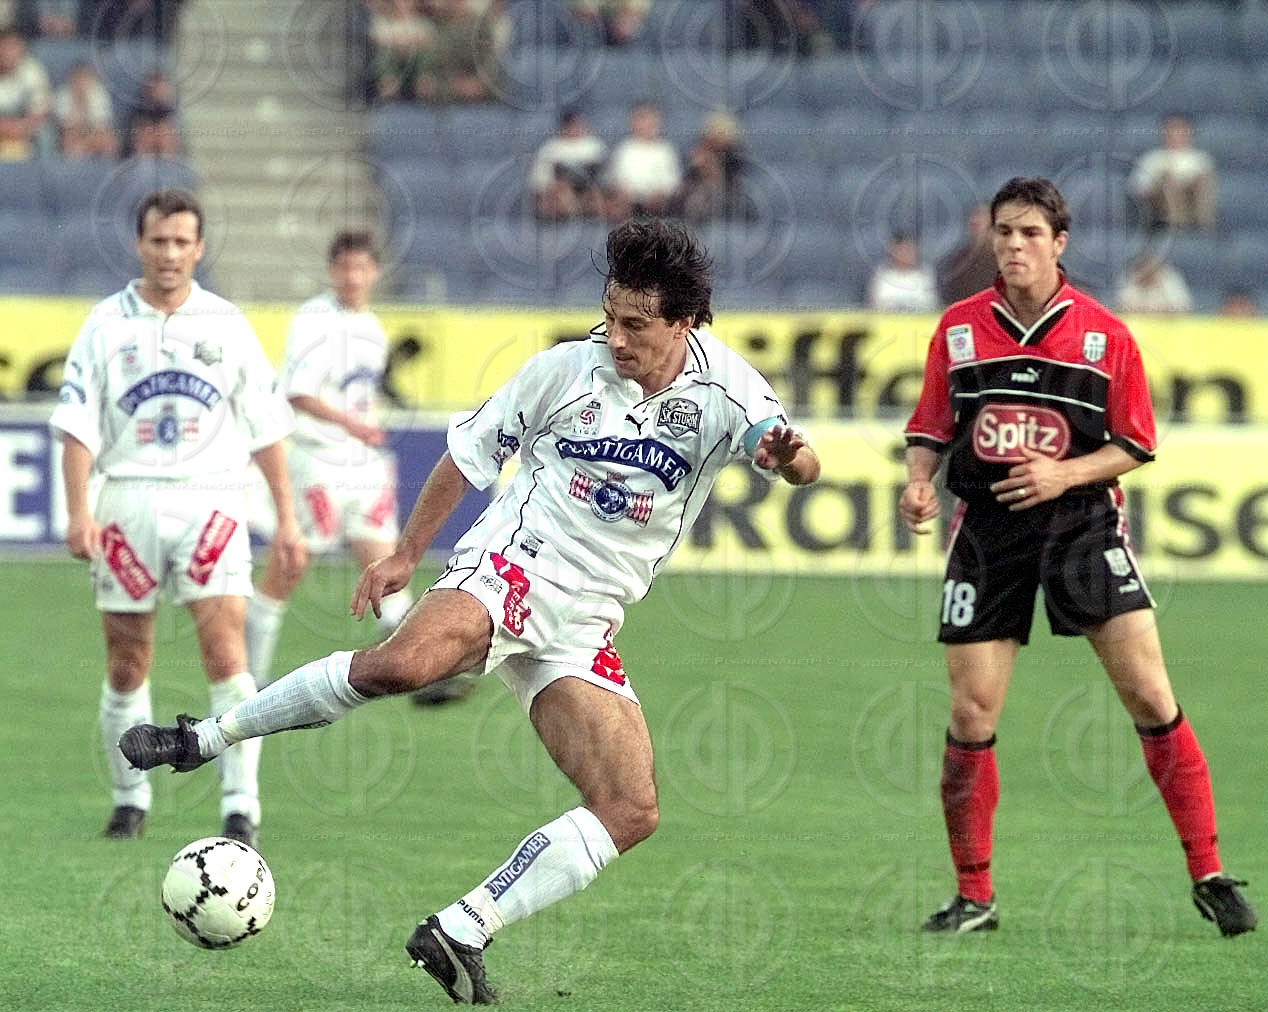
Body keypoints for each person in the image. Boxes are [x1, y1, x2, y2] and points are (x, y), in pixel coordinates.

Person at [119, 217, 821, 1003]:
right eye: (610, 315)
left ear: (683, 322)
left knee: (631, 808)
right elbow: (467, 455)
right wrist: (402, 555)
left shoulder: (727, 389)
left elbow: (795, 455)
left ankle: (462, 928)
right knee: (403, 666)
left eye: (636, 324)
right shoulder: (565, 370)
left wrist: (790, 460)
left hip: (587, 620)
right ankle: (205, 737)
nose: (616, 337)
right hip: (515, 566)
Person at [899, 176, 1256, 938]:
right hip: (988, 534)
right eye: (1004, 232)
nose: (1014, 246)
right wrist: (919, 482)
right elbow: (930, 427)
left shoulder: (1104, 335)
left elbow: (1136, 443)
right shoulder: (958, 330)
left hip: (1082, 529)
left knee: (1151, 696)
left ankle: (1209, 872)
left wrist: (1064, 474)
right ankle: (974, 897)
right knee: (970, 711)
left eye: (1030, 233)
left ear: (1059, 244)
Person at [49, 189, 306, 847]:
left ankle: (240, 808)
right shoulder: (105, 324)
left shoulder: (226, 323)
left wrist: (287, 518)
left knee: (226, 651)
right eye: (158, 241)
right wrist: (78, 512)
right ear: (140, 244)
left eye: (181, 242)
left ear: (199, 248)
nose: (169, 253)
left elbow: (265, 426)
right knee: (127, 659)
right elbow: (76, 425)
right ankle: (130, 801)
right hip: (126, 498)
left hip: (210, 498)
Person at [244, 230, 471, 704]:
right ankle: (247, 678)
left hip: (363, 464)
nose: (352, 277)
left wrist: (367, 423)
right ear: (332, 271)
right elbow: (298, 393)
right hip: (318, 459)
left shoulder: (370, 326)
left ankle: (420, 676)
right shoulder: (314, 320)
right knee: (289, 566)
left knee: (385, 564)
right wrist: (352, 423)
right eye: (344, 267)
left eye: (361, 268)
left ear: (373, 273)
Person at [1128, 113, 1216, 231]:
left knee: (1202, 179)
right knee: (1167, 181)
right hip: (1160, 206)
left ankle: (1202, 225)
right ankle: (1175, 224)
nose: (1176, 136)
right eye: (1172, 131)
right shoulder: (1151, 159)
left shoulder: (1201, 160)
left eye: (1181, 132)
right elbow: (1139, 189)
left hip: (1191, 203)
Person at [603, 100, 681, 221]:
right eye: (640, 119)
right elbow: (615, 178)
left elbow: (672, 182)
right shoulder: (623, 149)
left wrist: (660, 193)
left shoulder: (666, 150)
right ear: (633, 123)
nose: (645, 124)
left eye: (649, 120)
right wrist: (624, 192)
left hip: (657, 201)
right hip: (629, 200)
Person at [670, 110, 751, 223]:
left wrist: (711, 166)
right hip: (699, 198)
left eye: (721, 133)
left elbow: (731, 182)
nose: (717, 137)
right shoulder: (699, 150)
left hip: (723, 198)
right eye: (714, 132)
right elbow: (686, 180)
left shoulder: (734, 156)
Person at [528, 107, 607, 222]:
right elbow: (538, 181)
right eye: (572, 125)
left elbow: (605, 175)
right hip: (560, 193)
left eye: (578, 125)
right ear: (564, 127)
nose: (576, 129)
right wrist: (557, 185)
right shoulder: (550, 149)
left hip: (588, 191)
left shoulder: (595, 147)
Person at [0, 26, 50, 161]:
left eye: (13, 47)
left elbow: (41, 113)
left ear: (22, 49)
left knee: (45, 133)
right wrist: (7, 128)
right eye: (4, 46)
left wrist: (20, 128)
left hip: (23, 129)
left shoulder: (32, 71)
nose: (8, 52)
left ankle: (42, 172)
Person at [53, 61, 119, 159]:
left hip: (94, 131)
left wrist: (88, 142)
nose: (80, 83)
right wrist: (78, 102)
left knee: (109, 142)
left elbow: (102, 126)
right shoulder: (62, 95)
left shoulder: (99, 92)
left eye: (84, 79)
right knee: (72, 145)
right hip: (72, 133)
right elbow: (67, 128)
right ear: (71, 79)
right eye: (77, 79)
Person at [937, 202, 996, 306]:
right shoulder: (958, 260)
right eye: (974, 216)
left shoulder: (1003, 259)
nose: (975, 221)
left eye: (982, 216)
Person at [866, 231, 939, 313]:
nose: (906, 254)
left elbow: (930, 304)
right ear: (893, 252)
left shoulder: (924, 276)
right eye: (901, 250)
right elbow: (877, 304)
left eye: (909, 250)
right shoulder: (883, 276)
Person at [1114, 252, 1193, 314]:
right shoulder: (1132, 280)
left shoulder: (1169, 280)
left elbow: (1183, 307)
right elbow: (1122, 307)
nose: (1148, 272)